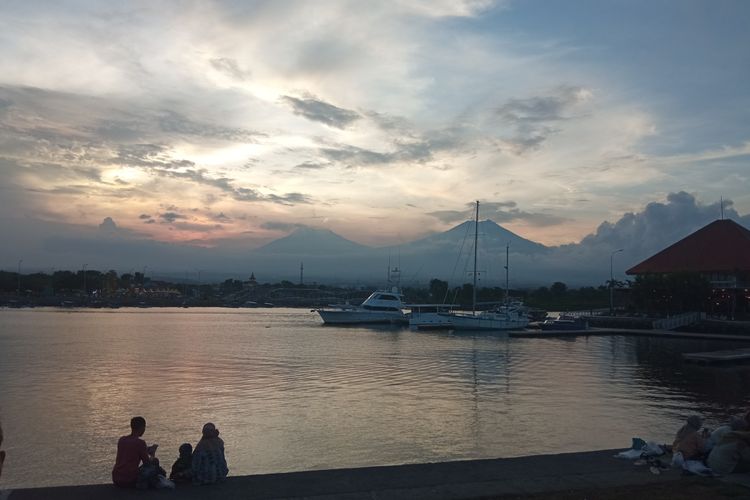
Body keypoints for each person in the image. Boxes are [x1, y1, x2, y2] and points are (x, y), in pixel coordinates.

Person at [112, 416, 159, 488]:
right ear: (142, 428)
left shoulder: (122, 440)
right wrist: (153, 454)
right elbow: (147, 464)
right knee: (155, 462)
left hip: (116, 478)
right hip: (129, 479)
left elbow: (131, 450)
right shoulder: (140, 443)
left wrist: (147, 449)